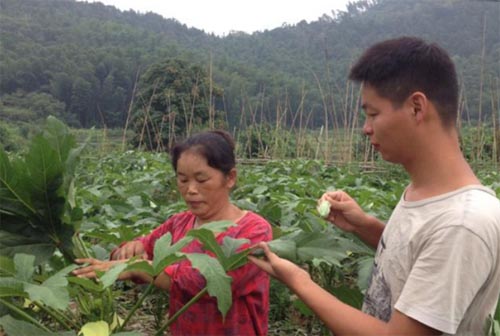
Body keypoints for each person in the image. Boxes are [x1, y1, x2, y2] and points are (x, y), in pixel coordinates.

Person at [249, 36, 500, 335]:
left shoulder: (462, 224)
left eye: (373, 114)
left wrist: (300, 283)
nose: (365, 128)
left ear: (417, 108)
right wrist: (363, 226)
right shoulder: (427, 195)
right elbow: (415, 258)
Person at [73, 130, 272, 335]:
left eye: (201, 180)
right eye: (183, 180)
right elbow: (137, 250)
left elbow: (204, 282)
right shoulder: (179, 223)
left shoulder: (255, 230)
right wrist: (128, 251)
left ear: (230, 178)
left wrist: (137, 267)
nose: (191, 190)